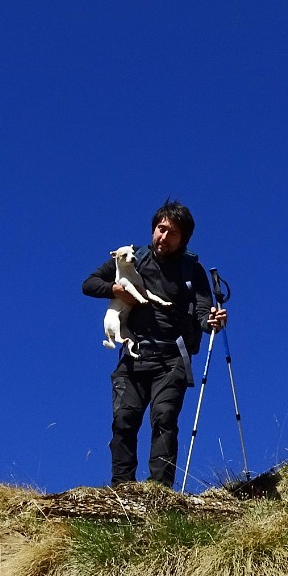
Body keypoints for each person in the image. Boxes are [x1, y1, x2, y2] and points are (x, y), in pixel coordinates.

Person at [82, 200, 227, 488]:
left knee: (164, 418)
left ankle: (159, 491)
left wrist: (211, 320)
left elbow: (201, 311)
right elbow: (89, 283)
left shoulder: (192, 270)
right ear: (153, 230)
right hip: (134, 353)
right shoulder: (131, 258)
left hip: (172, 357)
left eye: (173, 233)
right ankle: (122, 489)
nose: (164, 236)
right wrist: (116, 290)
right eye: (161, 229)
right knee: (124, 419)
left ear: (183, 239)